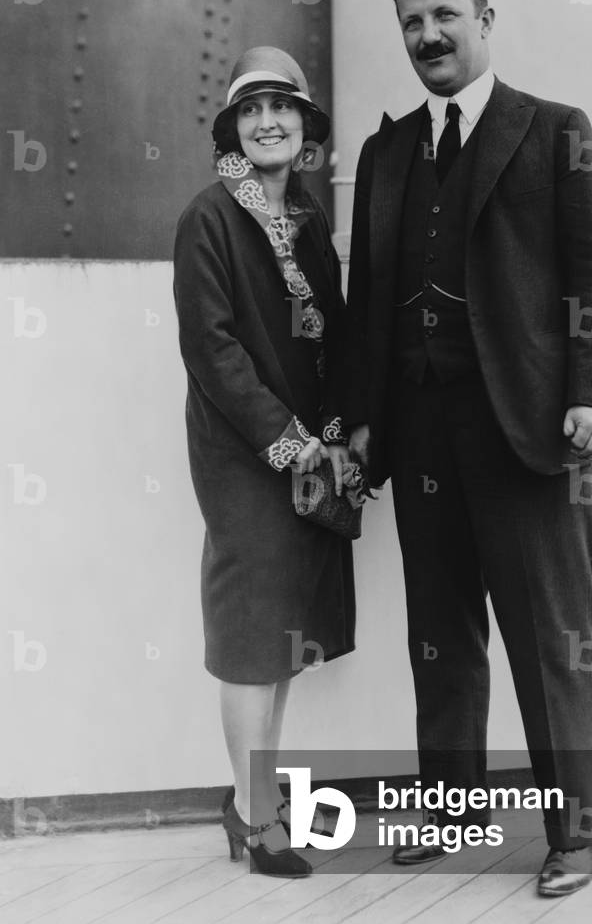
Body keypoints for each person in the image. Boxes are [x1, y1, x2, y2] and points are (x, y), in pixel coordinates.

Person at [343, 0, 592, 897]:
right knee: (442, 634)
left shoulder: (553, 132)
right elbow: (366, 303)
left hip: (529, 432)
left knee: (549, 641)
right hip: (419, 435)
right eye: (412, 23)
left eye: (445, 16)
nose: (428, 36)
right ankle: (452, 813)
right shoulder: (386, 155)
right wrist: (361, 426)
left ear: (486, 18)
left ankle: (573, 835)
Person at [173, 46, 355, 878]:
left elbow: (335, 338)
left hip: (307, 452)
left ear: (305, 126)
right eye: (251, 110)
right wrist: (287, 442)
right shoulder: (209, 217)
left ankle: (260, 798)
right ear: (234, 130)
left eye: (283, 106)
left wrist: (341, 431)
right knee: (253, 635)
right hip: (245, 454)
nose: (268, 120)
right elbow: (212, 351)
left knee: (284, 634)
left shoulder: (310, 220)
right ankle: (255, 813)